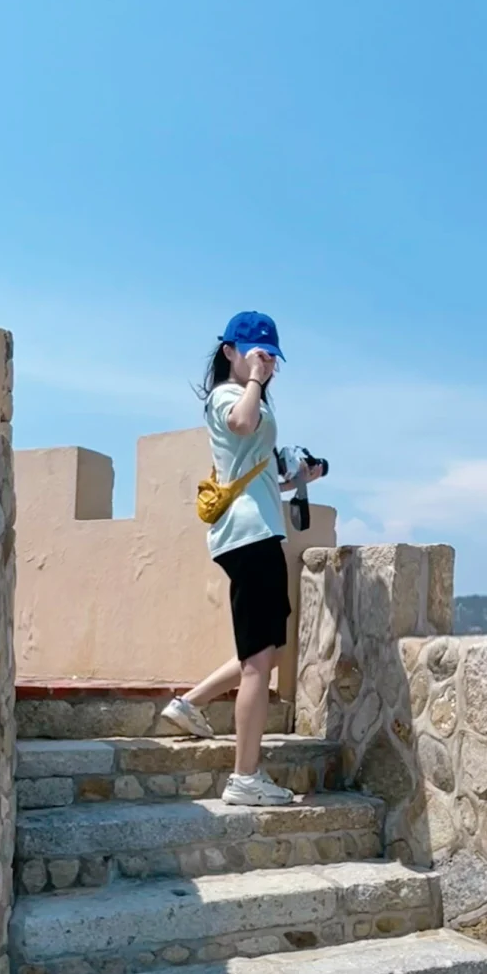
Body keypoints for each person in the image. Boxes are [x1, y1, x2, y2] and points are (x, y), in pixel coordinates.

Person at [161, 312, 323, 806]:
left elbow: (257, 470)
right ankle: (245, 777)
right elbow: (241, 422)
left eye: (270, 357)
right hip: (250, 536)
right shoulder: (227, 396)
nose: (265, 363)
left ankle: (190, 704)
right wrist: (253, 379)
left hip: (259, 532)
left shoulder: (250, 400)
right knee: (260, 661)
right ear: (229, 351)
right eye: (256, 353)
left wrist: (301, 478)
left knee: (263, 649)